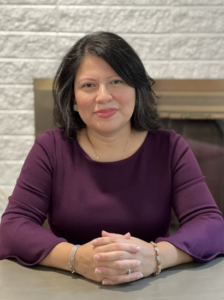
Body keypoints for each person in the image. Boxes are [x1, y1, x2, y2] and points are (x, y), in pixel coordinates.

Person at [0, 32, 224, 286]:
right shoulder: (51, 147)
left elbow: (212, 225)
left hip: (153, 286)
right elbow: (12, 227)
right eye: (88, 85)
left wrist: (155, 256)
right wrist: (75, 258)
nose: (103, 96)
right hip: (67, 288)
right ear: (73, 98)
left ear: (136, 88)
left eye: (116, 81)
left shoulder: (170, 147)